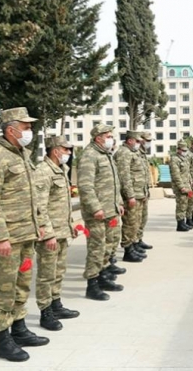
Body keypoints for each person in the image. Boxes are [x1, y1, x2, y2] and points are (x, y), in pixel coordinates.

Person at [0, 107, 52, 362]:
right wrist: (0, 237)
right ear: (11, 129)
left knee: (21, 284)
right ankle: (3, 339)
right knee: (3, 288)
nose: (30, 131)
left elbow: (32, 197)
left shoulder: (22, 154)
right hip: (7, 239)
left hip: (26, 235)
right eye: (26, 127)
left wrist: (39, 224)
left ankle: (19, 328)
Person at [33, 135, 80, 331]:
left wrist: (70, 226)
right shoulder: (44, 171)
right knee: (46, 274)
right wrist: (48, 233)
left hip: (61, 231)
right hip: (50, 234)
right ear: (55, 151)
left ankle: (56, 303)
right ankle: (46, 312)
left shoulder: (62, 170)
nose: (69, 153)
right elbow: (39, 206)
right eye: (66, 149)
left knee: (59, 271)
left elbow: (62, 204)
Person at [77, 123, 125, 300]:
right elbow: (85, 185)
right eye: (108, 135)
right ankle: (92, 284)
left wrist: (118, 202)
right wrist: (95, 207)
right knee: (97, 248)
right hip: (97, 213)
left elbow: (114, 182)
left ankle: (103, 276)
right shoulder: (90, 155)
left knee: (108, 245)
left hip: (110, 210)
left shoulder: (106, 155)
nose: (111, 138)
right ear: (98, 138)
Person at [114, 131, 150, 263]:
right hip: (132, 194)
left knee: (137, 221)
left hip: (139, 193)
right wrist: (130, 195)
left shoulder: (133, 153)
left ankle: (134, 244)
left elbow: (142, 174)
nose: (140, 144)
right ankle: (128, 250)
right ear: (130, 140)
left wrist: (145, 191)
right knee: (130, 223)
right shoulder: (124, 153)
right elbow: (125, 177)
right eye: (138, 141)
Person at [169, 139, 193, 232]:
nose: (184, 152)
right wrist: (181, 187)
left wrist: (190, 182)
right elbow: (176, 175)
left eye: (185, 150)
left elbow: (187, 172)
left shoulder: (185, 159)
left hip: (187, 185)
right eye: (182, 150)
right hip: (180, 186)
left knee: (186, 204)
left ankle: (183, 222)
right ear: (178, 149)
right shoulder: (174, 159)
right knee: (181, 204)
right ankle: (180, 224)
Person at [136, 131, 155, 248]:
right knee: (135, 221)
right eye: (147, 141)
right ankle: (132, 243)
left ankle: (139, 239)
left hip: (143, 191)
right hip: (136, 193)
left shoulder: (142, 153)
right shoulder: (134, 153)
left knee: (143, 218)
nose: (149, 143)